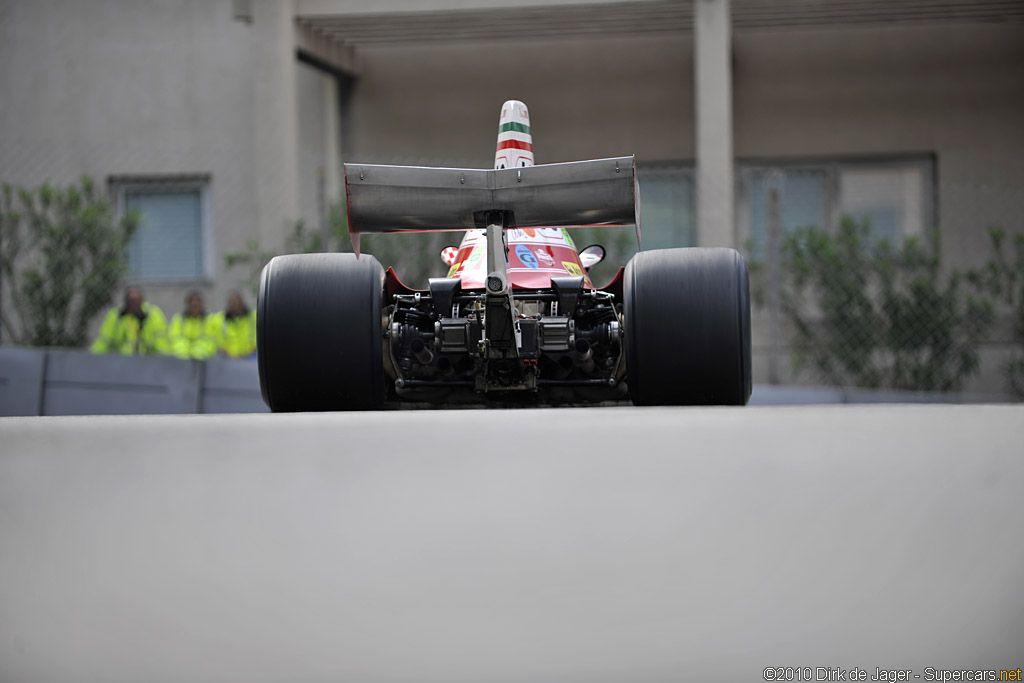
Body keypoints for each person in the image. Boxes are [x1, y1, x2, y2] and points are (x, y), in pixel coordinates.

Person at [91, 287, 169, 355]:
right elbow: (103, 340)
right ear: (126, 302)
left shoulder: (152, 315)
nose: (134, 305)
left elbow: (161, 344)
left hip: (146, 362)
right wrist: (93, 358)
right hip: (120, 362)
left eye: (136, 302)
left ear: (142, 301)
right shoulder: (116, 316)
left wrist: (164, 362)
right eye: (131, 302)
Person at [167, 291, 220, 360]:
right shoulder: (178, 320)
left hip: (204, 361)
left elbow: (212, 340)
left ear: (202, 304)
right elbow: (174, 339)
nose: (195, 304)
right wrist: (184, 354)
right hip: (182, 360)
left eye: (198, 301)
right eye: (192, 301)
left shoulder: (211, 321)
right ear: (187, 304)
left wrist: (197, 353)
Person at [212, 291, 257, 358]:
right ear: (228, 303)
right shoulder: (219, 319)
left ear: (242, 302)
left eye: (237, 301)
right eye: (232, 302)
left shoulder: (253, 317)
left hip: (251, 357)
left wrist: (250, 352)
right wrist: (230, 355)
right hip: (228, 359)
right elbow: (217, 341)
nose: (235, 304)